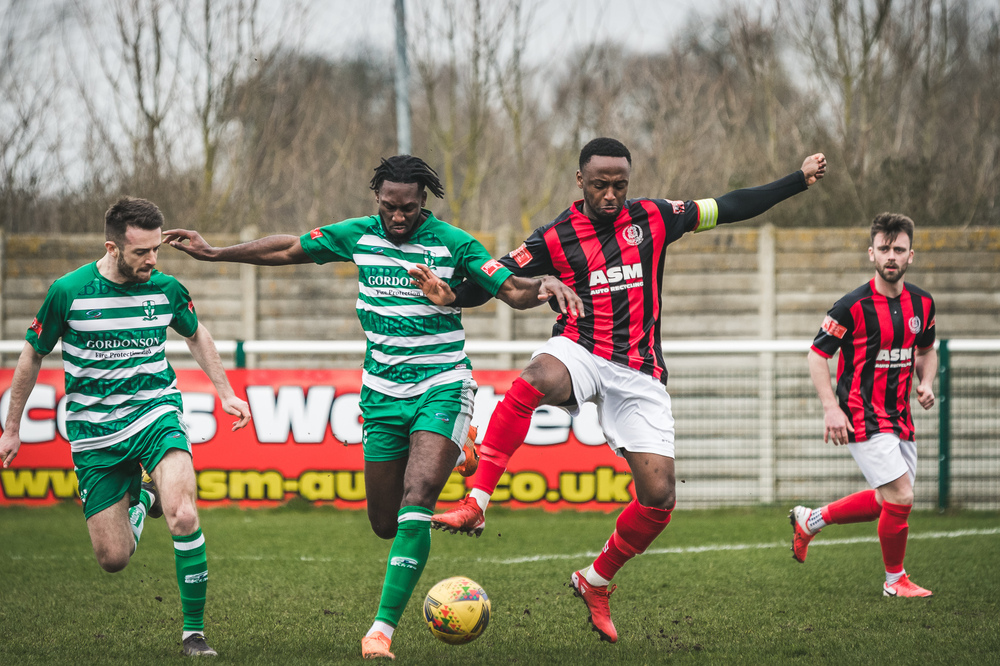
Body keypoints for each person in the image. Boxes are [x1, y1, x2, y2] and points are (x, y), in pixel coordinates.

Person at [161, 155, 582, 660]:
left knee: (418, 497)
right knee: (385, 522)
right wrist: (215, 252)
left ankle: (380, 630)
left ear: (422, 202)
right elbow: (290, 247)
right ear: (377, 200)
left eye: (407, 208)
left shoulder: (455, 244)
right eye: (388, 207)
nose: (397, 217)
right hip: (381, 395)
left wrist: (545, 286)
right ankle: (461, 448)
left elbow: (511, 289)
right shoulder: (357, 234)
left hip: (442, 385)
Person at [417, 137, 827, 643]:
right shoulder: (555, 236)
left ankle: (596, 580)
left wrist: (795, 180)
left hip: (639, 371)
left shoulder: (656, 218)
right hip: (582, 347)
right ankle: (477, 501)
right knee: (533, 380)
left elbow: (729, 205)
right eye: (600, 184)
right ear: (579, 181)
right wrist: (453, 294)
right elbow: (496, 276)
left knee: (659, 499)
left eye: (619, 185)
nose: (610, 194)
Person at [0, 196, 252, 657]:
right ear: (112, 248)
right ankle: (143, 502)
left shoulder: (165, 288)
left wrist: (227, 393)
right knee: (113, 559)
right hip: (95, 434)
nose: (152, 260)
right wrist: (12, 427)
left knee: (184, 513)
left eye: (157, 249)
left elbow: (196, 333)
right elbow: (32, 353)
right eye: (142, 252)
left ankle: (193, 633)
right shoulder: (69, 291)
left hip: (156, 413)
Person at [791, 212, 937, 598]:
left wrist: (926, 382)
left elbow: (927, 351)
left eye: (899, 249)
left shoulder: (923, 303)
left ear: (911, 256)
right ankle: (894, 582)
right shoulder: (850, 306)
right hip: (861, 414)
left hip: (900, 416)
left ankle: (811, 520)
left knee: (886, 501)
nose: (892, 256)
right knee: (901, 496)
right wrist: (830, 408)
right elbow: (816, 355)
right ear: (871, 253)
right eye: (885, 249)